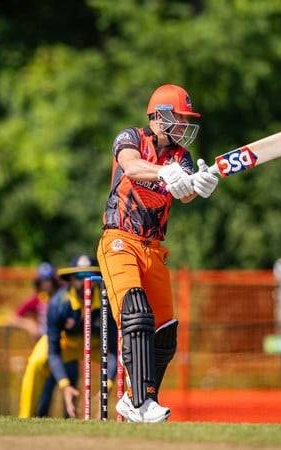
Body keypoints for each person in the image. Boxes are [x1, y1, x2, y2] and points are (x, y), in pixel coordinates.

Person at [96, 84, 219, 423]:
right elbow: (132, 167)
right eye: (180, 118)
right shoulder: (131, 137)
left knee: (165, 331)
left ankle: (141, 400)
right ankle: (138, 402)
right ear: (160, 117)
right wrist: (164, 172)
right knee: (136, 312)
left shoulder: (180, 155)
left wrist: (200, 185)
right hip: (119, 239)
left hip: (154, 248)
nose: (184, 125)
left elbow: (186, 192)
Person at [18, 255, 117, 418]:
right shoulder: (58, 303)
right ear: (70, 279)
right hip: (65, 344)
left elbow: (113, 349)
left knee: (127, 360)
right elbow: (53, 351)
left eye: (89, 276)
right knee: (35, 363)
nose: (85, 282)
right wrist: (64, 385)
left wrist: (108, 384)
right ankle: (24, 417)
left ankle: (137, 413)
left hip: (96, 345)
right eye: (79, 276)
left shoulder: (109, 302)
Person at [10, 262, 59, 340]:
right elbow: (13, 318)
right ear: (38, 282)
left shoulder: (61, 297)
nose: (47, 284)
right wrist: (29, 324)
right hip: (43, 339)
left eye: (49, 280)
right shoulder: (36, 299)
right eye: (43, 280)